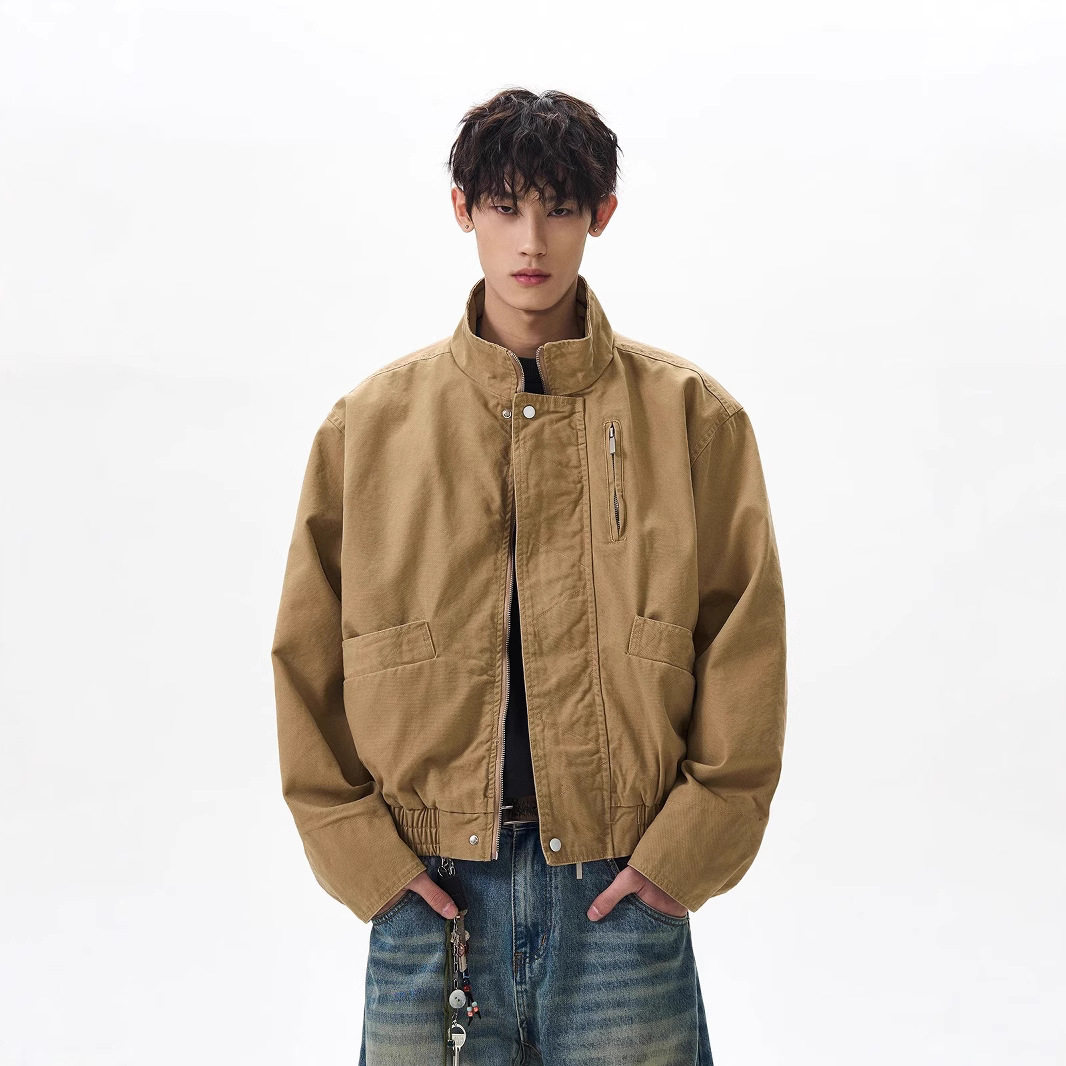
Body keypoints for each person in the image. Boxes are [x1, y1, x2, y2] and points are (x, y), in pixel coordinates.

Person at [271, 87, 788, 1066]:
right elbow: (307, 663)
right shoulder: (369, 427)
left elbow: (744, 644)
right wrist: (369, 864)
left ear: (602, 215)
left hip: (618, 895)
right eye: (505, 207)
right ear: (462, 209)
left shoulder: (690, 418)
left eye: (560, 208)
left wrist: (682, 856)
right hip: (429, 896)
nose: (532, 240)